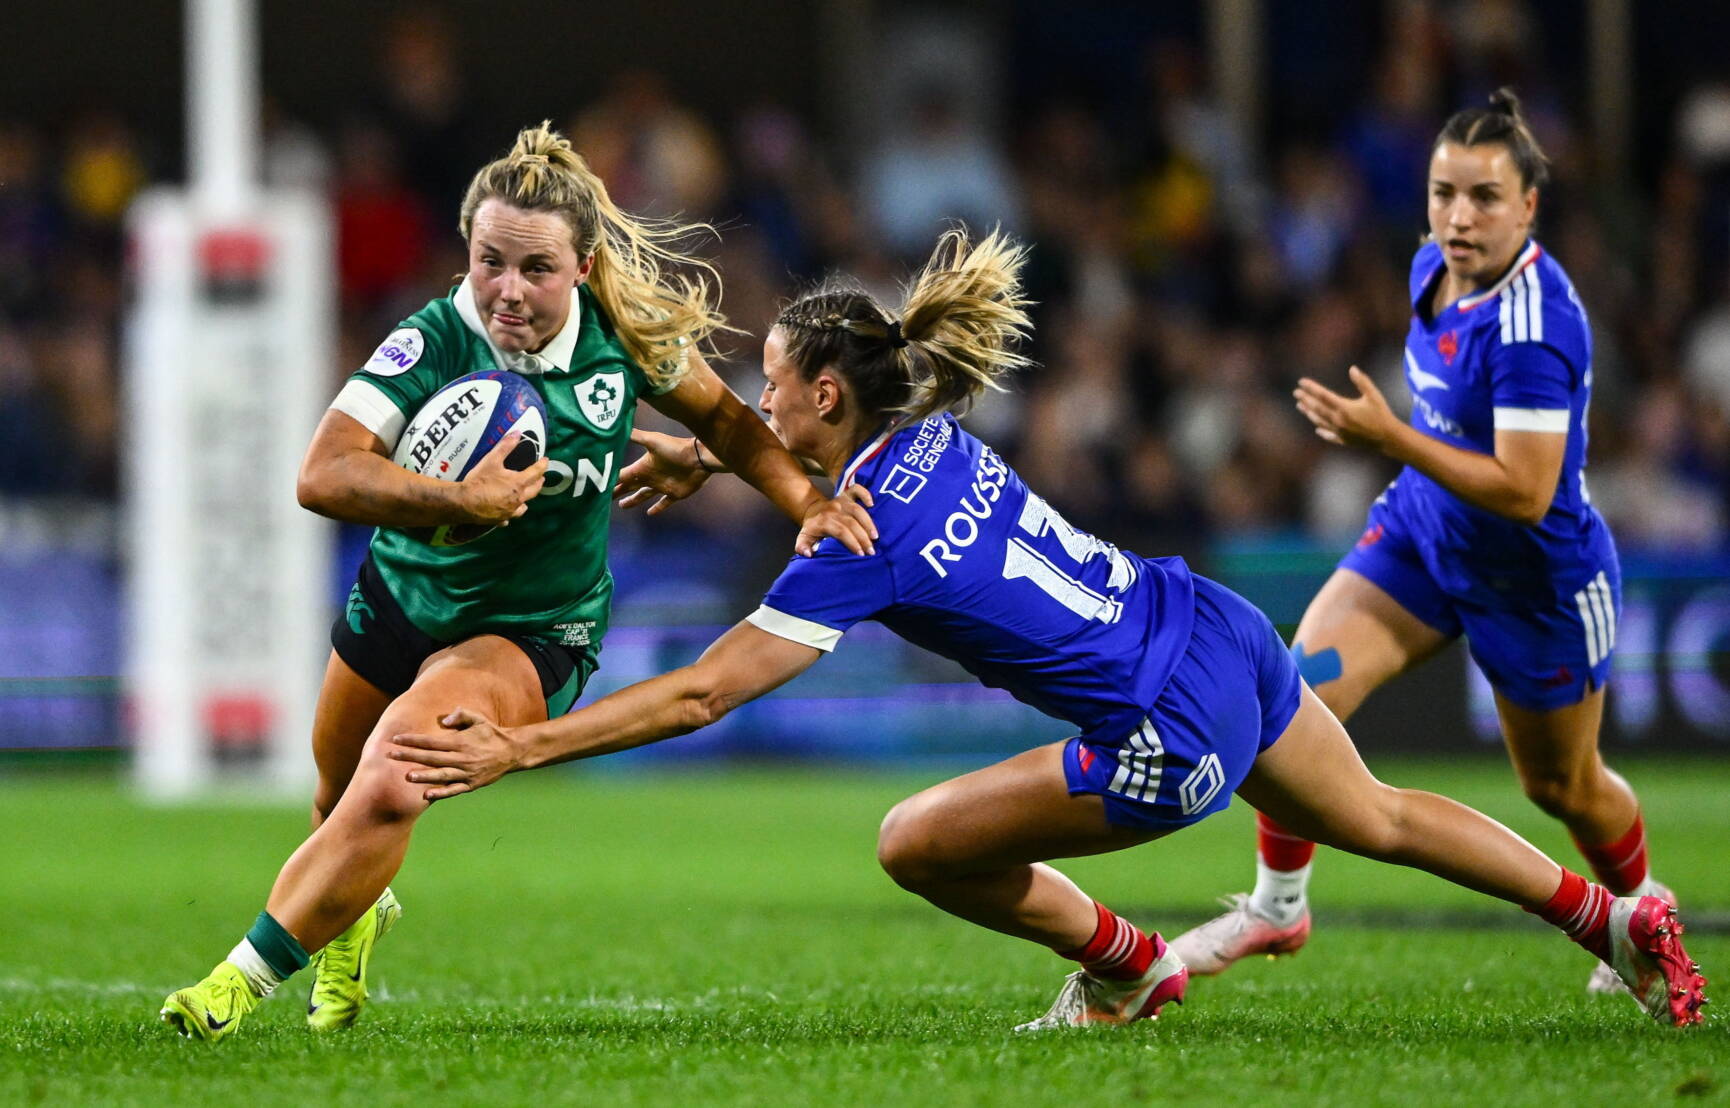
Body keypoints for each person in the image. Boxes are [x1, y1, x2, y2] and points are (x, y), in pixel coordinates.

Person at [387, 228, 1707, 1030]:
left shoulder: (858, 538)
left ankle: (1123, 964)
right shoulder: (931, 438)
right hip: (1214, 627)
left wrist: (527, 748)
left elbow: (698, 696)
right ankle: (1614, 923)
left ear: (828, 392)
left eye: (773, 389)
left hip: (1157, 732)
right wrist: (712, 457)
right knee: (1380, 817)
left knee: (913, 844)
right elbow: (799, 463)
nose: (755, 405)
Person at [158, 123, 877, 1041]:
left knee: (398, 770)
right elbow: (323, 474)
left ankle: (232, 986)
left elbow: (734, 423)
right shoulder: (431, 340)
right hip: (399, 598)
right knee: (336, 801)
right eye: (488, 261)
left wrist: (804, 503)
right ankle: (354, 917)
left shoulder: (626, 341)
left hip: (536, 630)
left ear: (581, 268)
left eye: (534, 268)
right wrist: (457, 496)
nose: (506, 289)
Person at [1167, 90, 1671, 998]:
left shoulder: (1535, 328)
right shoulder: (1428, 269)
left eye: (1483, 197)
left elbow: (1526, 491)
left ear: (1529, 207)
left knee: (1563, 788)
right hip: (1422, 533)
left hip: (1534, 579)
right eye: (1443, 193)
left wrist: (1390, 438)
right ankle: (1279, 905)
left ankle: (1638, 914)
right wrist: (1402, 457)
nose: (1457, 216)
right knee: (1294, 693)